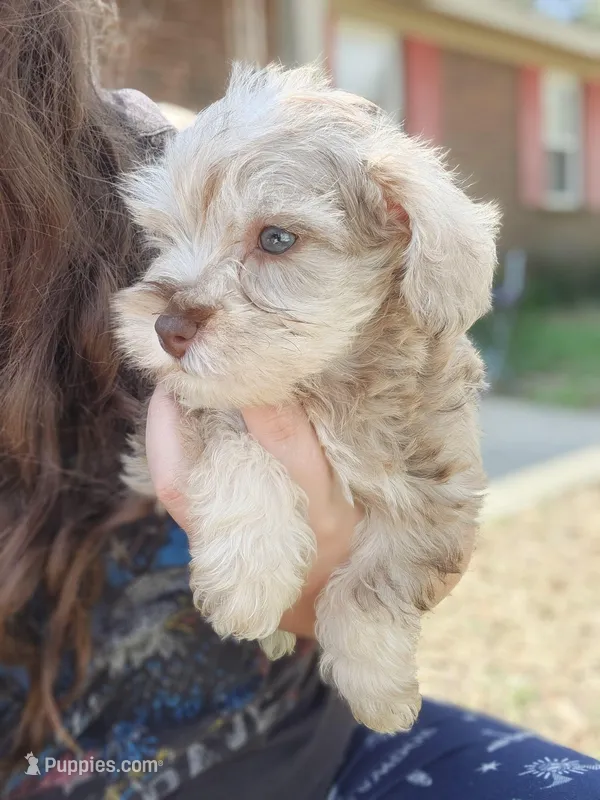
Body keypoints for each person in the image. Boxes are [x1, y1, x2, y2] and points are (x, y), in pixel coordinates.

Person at [0, 1, 598, 798]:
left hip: (295, 737)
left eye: (274, 240)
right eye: (166, 237)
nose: (178, 302)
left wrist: (345, 584)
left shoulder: (154, 144)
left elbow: (435, 505)